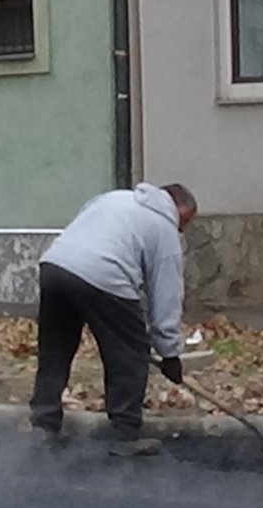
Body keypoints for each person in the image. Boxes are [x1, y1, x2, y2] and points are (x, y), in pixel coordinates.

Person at [30, 182, 196, 456]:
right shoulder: (165, 229)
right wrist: (170, 354)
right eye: (185, 222)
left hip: (56, 264)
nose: (182, 230)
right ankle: (124, 433)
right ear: (179, 209)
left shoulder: (114, 199)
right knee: (130, 354)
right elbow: (166, 296)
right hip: (105, 273)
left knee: (55, 350)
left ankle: (43, 424)